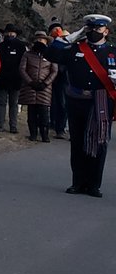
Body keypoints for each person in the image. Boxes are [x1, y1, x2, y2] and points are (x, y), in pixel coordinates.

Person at [47, 15, 116, 196]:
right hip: (76, 101)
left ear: (106, 31)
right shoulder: (75, 48)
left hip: (101, 101)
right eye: (90, 28)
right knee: (77, 142)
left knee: (98, 142)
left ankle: (93, 185)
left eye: (98, 29)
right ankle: (78, 182)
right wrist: (72, 36)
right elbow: (51, 54)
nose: (94, 32)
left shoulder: (112, 52)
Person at [19, 30, 58, 142]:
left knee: (44, 113)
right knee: (31, 112)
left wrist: (45, 83)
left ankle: (44, 135)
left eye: (42, 39)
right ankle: (33, 134)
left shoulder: (51, 54)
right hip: (30, 87)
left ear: (46, 41)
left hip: (44, 88)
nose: (40, 41)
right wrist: (30, 82)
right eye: (38, 40)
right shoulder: (27, 54)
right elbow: (22, 69)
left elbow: (54, 71)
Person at [0, 23, 27, 134]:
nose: (10, 34)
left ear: (16, 34)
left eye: (12, 32)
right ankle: (0, 125)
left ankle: (13, 126)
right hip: (1, 79)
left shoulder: (21, 47)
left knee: (14, 104)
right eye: (8, 32)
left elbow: (23, 63)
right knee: (1, 103)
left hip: (16, 79)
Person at [47, 21, 69, 138]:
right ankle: (53, 123)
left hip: (63, 78)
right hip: (49, 78)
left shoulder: (67, 47)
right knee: (52, 103)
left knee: (62, 103)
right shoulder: (50, 46)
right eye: (55, 30)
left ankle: (60, 127)